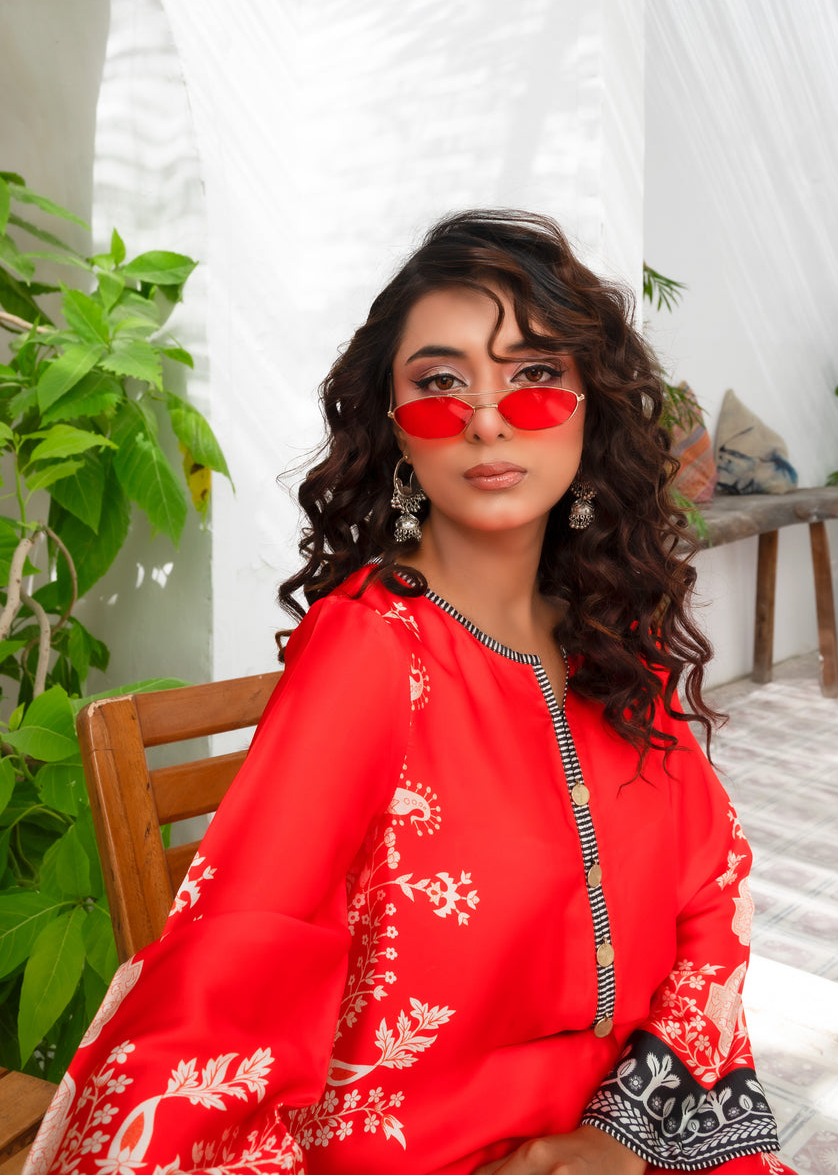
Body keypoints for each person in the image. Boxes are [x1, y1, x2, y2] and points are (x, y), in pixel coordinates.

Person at [27, 211, 796, 1175]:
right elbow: (235, 966)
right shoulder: (370, 650)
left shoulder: (610, 637)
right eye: (439, 383)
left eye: (534, 374)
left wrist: (621, 1135)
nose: (487, 419)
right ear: (393, 427)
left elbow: (711, 886)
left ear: (590, 407)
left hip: (632, 1128)